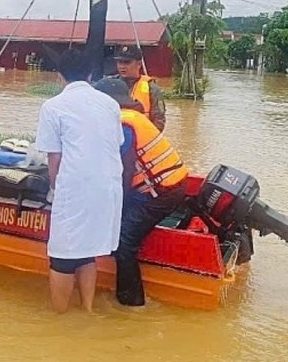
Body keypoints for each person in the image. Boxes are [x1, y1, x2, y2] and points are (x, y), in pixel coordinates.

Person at [35, 48, 124, 313]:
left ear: (60, 75)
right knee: (87, 249)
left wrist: (54, 189)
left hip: (77, 187)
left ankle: (60, 319)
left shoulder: (53, 107)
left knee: (62, 254)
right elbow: (115, 144)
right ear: (90, 74)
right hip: (109, 186)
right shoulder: (110, 104)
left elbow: (54, 157)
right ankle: (87, 311)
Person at [94, 78, 189, 307]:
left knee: (123, 241)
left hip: (160, 192)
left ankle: (131, 304)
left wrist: (115, 205)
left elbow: (125, 170)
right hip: (172, 183)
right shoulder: (134, 117)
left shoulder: (124, 123)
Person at [111, 46, 166, 131]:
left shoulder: (151, 88)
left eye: (126, 62)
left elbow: (159, 120)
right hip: (115, 136)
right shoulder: (110, 85)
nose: (122, 66)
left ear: (139, 64)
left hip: (142, 136)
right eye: (119, 62)